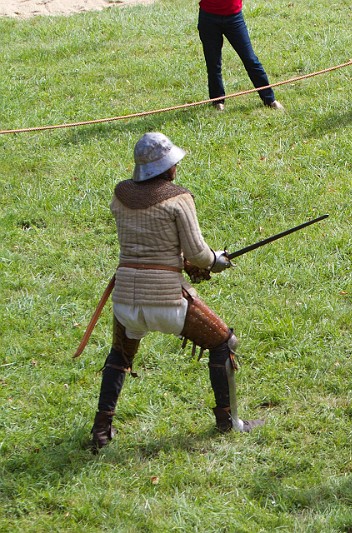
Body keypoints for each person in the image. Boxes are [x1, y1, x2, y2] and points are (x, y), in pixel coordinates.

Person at [89, 132, 263, 452]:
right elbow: (197, 254)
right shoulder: (178, 198)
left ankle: (101, 429)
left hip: (126, 300)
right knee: (225, 341)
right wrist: (216, 261)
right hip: (166, 301)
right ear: (166, 168)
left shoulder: (120, 197)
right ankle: (228, 421)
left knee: (120, 354)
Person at [197, 0, 283, 111]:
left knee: (250, 60)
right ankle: (217, 101)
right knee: (213, 63)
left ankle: (270, 99)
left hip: (234, 18)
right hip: (209, 18)